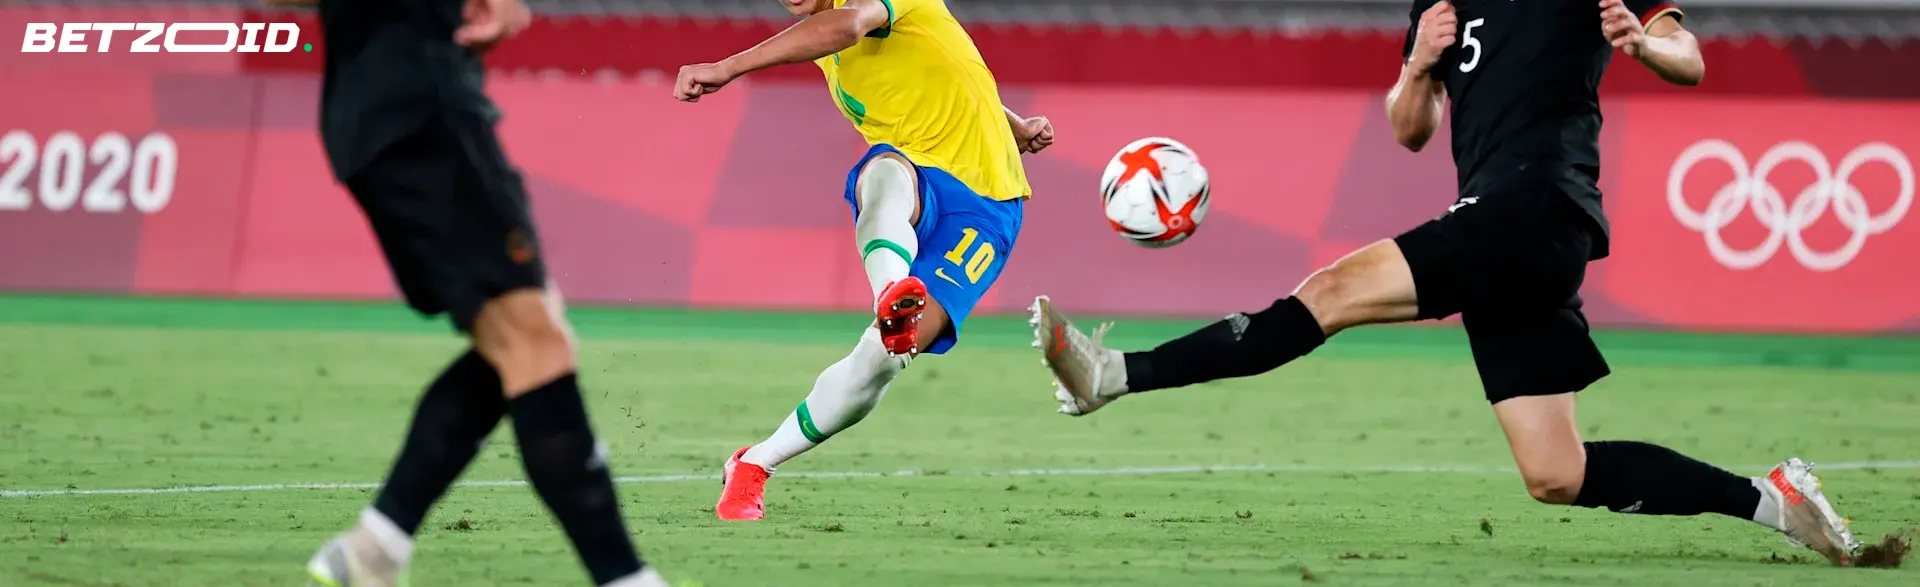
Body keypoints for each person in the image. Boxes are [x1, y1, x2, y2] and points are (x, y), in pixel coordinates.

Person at [1029, 0, 1865, 566]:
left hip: (1537, 202)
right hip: (1512, 226)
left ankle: (1115, 375)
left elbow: (1690, 57)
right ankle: (1772, 501)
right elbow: (1408, 131)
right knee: (1556, 472)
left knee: (1329, 292)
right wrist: (1419, 66)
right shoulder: (1441, 5)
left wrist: (1645, 44)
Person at [271, 0, 666, 584]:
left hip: (391, 109)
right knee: (533, 342)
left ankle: (376, 546)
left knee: (522, 337)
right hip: (417, 110)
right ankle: (625, 578)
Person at [674, 0, 1054, 521]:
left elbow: (851, 24)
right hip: (918, 174)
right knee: (882, 172)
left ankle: (754, 462)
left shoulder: (870, 10)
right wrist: (1014, 124)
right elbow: (928, 78)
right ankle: (891, 294)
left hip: (987, 210)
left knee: (883, 360)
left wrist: (726, 67)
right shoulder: (828, 58)